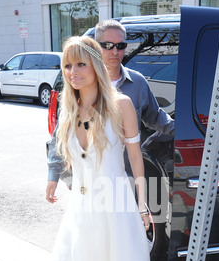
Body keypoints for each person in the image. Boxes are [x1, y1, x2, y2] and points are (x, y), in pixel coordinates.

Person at [21, 36, 155, 261]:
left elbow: (136, 159)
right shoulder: (68, 107)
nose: (73, 71)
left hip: (115, 204)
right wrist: (52, 177)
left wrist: (143, 205)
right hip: (80, 206)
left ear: (95, 64)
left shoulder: (121, 104)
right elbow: (58, 148)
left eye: (81, 63)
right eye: (67, 64)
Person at [46, 18, 174, 204]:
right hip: (89, 183)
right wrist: (53, 174)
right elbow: (60, 134)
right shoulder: (78, 86)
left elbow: (157, 118)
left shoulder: (137, 84)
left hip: (126, 180)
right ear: (95, 48)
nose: (115, 51)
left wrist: (189, 132)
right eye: (108, 45)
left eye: (121, 45)